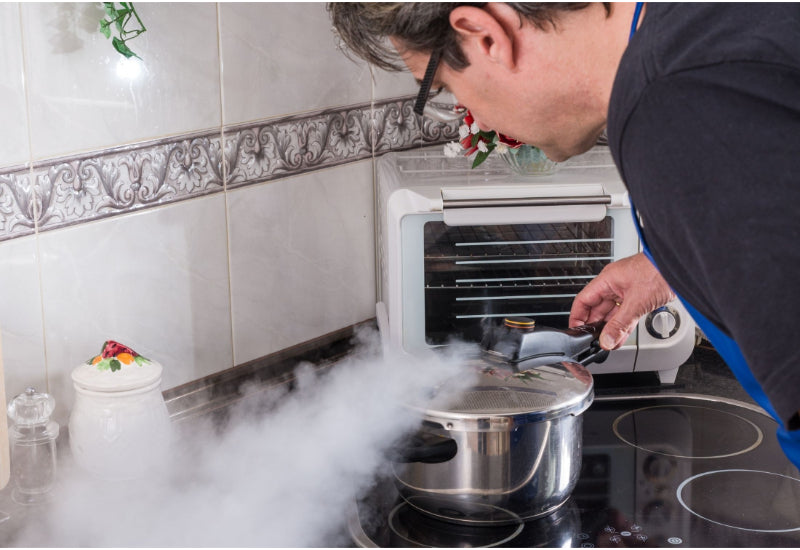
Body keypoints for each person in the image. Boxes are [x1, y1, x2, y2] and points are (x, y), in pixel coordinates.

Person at [328, 2, 800, 469]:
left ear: (485, 34)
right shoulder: (703, 30)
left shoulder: (674, 106)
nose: (481, 123)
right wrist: (675, 258)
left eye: (450, 90)